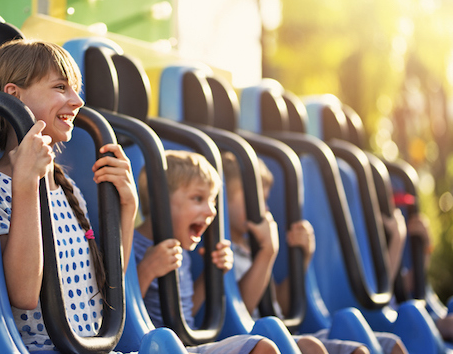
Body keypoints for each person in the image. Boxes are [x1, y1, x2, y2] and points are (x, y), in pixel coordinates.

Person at [0, 39, 138, 352]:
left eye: (75, 89)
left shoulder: (66, 187)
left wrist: (128, 206)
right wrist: (27, 183)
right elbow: (25, 294)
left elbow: (105, 287)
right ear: (14, 96)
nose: (77, 101)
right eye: (61, 87)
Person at [222, 151, 409, 354]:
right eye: (256, 199)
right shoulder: (224, 252)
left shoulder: (253, 249)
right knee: (312, 347)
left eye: (265, 200)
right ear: (224, 197)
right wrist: (268, 252)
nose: (264, 208)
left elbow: (279, 305)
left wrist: (303, 259)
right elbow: (240, 313)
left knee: (378, 347)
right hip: (257, 338)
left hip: (282, 332)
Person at [134, 150, 282, 354]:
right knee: (262, 348)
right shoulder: (133, 245)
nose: (212, 211)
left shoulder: (180, 251)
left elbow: (182, 315)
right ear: (159, 198)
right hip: (153, 347)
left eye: (212, 201)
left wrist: (211, 275)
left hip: (184, 345)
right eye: (198, 198)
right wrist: (146, 271)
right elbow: (125, 316)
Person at [399, 211, 453, 342]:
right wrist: (398, 236)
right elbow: (404, 285)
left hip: (428, 312)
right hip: (411, 319)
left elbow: (417, 279)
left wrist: (426, 245)